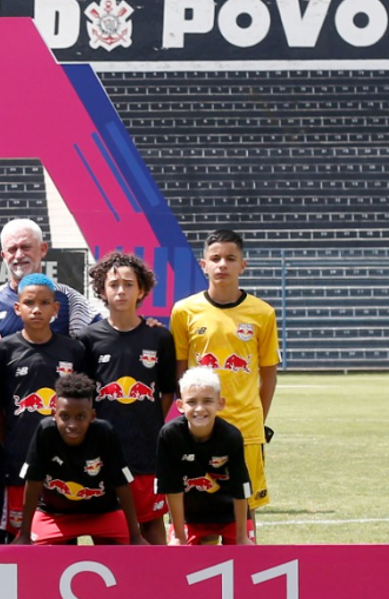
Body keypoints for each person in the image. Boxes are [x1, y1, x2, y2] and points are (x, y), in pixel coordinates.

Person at [170, 229, 280, 514]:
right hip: (201, 426)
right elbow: (180, 371)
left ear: (243, 265)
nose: (222, 265)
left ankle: (248, 560)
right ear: (203, 264)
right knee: (203, 510)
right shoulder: (184, 311)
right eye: (215, 258)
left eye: (230, 258)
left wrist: (258, 418)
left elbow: (268, 373)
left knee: (246, 509)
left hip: (246, 427)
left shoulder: (263, 312)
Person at [78, 252, 176, 545]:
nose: (121, 290)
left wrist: (145, 421)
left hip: (146, 446)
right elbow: (85, 396)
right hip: (105, 446)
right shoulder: (89, 338)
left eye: (129, 284)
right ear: (102, 290)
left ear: (142, 290)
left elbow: (167, 391)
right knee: (109, 525)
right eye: (114, 284)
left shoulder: (158, 338)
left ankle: (157, 587)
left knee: (152, 522)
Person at [0, 273, 88, 539]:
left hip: (64, 461)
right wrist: (13, 443)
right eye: (29, 302)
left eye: (44, 303)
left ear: (56, 309)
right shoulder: (2, 352)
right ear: (17, 307)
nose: (36, 309)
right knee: (19, 536)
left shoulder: (74, 350)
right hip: (19, 460)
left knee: (62, 535)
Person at [13, 373, 145, 546]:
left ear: (92, 415)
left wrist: (135, 536)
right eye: (65, 416)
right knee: (38, 555)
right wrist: (24, 534)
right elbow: (33, 482)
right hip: (55, 514)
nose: (72, 425)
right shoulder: (45, 432)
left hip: (102, 512)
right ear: (54, 414)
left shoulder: (104, 433)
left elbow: (122, 484)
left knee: (125, 552)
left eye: (81, 417)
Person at [157, 367, 254, 545]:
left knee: (246, 560)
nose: (199, 409)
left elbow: (241, 486)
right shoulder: (169, 435)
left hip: (229, 514)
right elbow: (172, 487)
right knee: (179, 563)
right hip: (189, 516)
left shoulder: (231, 436)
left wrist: (242, 537)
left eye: (208, 401)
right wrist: (179, 536)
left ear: (220, 403)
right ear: (180, 405)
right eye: (192, 402)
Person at [0, 218, 96, 343]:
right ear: (3, 256)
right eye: (12, 249)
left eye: (26, 247)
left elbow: (101, 338)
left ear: (42, 249)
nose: (19, 255)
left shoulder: (69, 298)